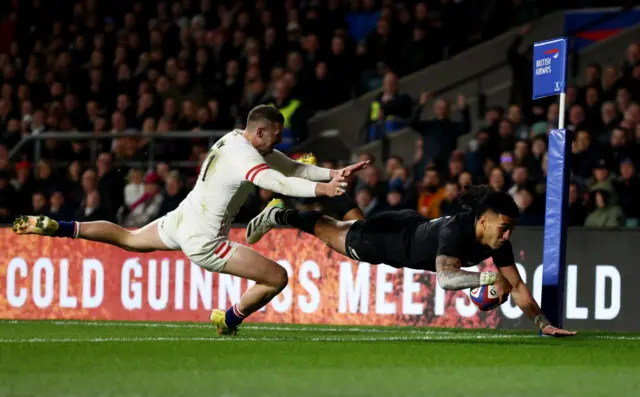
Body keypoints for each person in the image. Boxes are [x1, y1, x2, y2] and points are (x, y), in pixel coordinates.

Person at [12, 105, 369, 336]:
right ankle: (228, 320)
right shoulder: (246, 157)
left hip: (182, 217)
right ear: (260, 133)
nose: (279, 140)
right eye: (276, 135)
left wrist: (332, 173)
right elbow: (272, 180)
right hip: (205, 240)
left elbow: (290, 166)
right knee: (277, 277)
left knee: (128, 238)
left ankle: (59, 227)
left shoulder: (235, 139)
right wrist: (321, 192)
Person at [247, 185, 576, 337]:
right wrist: (488, 279)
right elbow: (446, 279)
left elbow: (516, 286)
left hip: (407, 224)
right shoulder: (454, 230)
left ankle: (319, 186)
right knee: (330, 231)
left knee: (352, 222)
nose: (507, 237)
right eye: (503, 229)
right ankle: (279, 212)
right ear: (483, 221)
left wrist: (542, 324)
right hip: (383, 242)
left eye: (510, 230)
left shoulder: (495, 241)